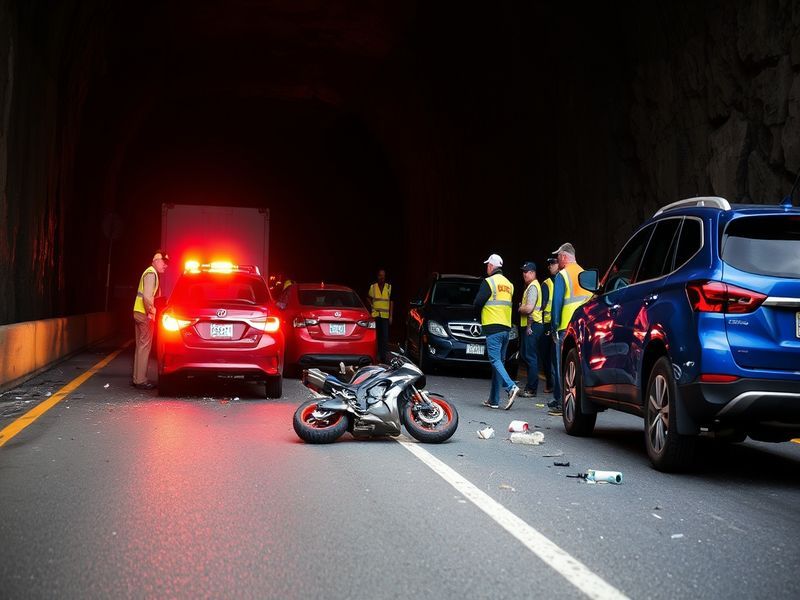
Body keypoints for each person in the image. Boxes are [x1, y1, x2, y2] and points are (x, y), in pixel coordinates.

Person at [549, 242, 591, 415]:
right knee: (577, 367)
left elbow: (557, 304)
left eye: (558, 257)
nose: (557, 260)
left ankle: (561, 403)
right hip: (583, 328)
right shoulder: (585, 274)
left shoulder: (563, 275)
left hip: (565, 328)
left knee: (563, 367)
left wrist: (554, 326)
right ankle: (567, 400)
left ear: (564, 257)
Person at [473, 253, 520, 410]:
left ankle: (511, 387)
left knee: (495, 361)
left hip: (493, 327)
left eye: (488, 265)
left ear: (491, 266)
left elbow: (478, 302)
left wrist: (477, 317)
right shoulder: (509, 285)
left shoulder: (489, 282)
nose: (487, 267)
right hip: (506, 328)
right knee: (499, 363)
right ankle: (494, 400)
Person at [132, 250, 169, 390]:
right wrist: (152, 312)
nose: (166, 265)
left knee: (140, 346)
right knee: (144, 346)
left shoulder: (150, 272)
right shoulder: (151, 273)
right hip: (144, 314)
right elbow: (147, 297)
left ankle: (137, 378)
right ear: (156, 260)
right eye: (164, 262)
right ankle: (141, 380)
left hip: (139, 312)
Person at [518, 262, 544, 397]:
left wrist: (520, 308)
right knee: (526, 355)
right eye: (523, 271)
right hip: (531, 325)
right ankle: (529, 386)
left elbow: (528, 309)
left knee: (530, 356)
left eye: (527, 271)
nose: (524, 274)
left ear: (533, 273)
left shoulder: (533, 287)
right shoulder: (531, 286)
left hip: (533, 325)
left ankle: (531, 389)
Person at [539, 257, 559, 394]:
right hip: (555, 323)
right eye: (549, 264)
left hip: (549, 324)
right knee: (553, 356)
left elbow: (543, 303)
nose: (550, 266)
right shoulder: (548, 283)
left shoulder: (547, 283)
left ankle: (551, 384)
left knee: (547, 355)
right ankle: (554, 384)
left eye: (553, 263)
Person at [367, 269, 393, 363]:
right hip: (375, 315)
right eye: (380, 275)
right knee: (376, 337)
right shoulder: (373, 287)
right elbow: (368, 298)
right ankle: (376, 355)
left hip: (385, 316)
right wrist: (372, 305)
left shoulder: (389, 287)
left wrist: (391, 316)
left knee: (384, 337)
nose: (382, 277)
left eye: (383, 276)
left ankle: (383, 356)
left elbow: (391, 302)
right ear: (377, 276)